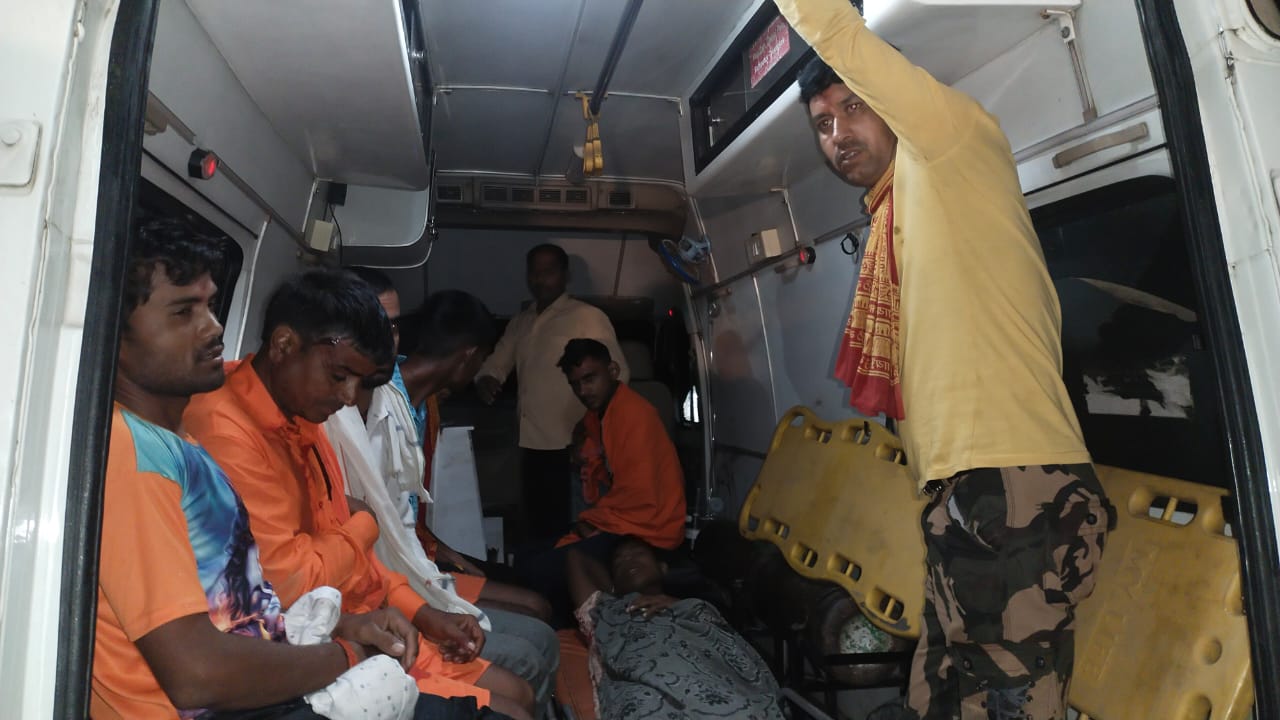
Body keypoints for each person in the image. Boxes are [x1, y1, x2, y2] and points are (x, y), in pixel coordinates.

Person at [776, 1, 1115, 718]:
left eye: (853, 107)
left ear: (895, 100)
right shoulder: (891, 218)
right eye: (822, 124)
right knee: (938, 700)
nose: (838, 134)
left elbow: (837, 32)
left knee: (1009, 703)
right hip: (964, 493)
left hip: (1016, 480)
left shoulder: (952, 146)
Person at [94, 218, 506, 720]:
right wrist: (347, 653)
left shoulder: (178, 443)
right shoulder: (134, 455)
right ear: (113, 329)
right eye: (184, 312)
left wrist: (348, 629)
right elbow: (196, 674)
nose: (214, 328)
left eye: (210, 307)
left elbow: (239, 611)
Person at [184, 270, 535, 720]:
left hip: (371, 620)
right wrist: (366, 523)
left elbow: (349, 555)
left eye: (357, 381)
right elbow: (291, 582)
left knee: (520, 695)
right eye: (339, 376)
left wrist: (423, 613)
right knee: (514, 705)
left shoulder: (301, 414)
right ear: (284, 344)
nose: (349, 397)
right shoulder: (228, 431)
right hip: (320, 643)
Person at [326, 278, 559, 710]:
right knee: (529, 649)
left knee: (537, 615)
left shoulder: (412, 406)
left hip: (407, 570)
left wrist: (440, 558)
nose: (386, 341)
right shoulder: (337, 420)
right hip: (380, 591)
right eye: (372, 326)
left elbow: (401, 517)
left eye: (392, 327)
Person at [515, 339, 685, 625]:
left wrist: (591, 523)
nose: (583, 391)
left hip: (648, 527)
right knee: (526, 553)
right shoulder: (601, 414)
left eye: (590, 379)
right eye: (575, 384)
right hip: (621, 520)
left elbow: (640, 495)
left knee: (537, 571)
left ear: (613, 371)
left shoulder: (634, 415)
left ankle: (569, 627)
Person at [473, 244, 629, 542]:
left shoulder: (587, 317)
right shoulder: (521, 321)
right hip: (529, 444)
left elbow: (618, 375)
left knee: (572, 530)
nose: (540, 279)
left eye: (549, 271)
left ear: (565, 275)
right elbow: (496, 363)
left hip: (572, 445)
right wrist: (486, 379)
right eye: (534, 272)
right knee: (537, 528)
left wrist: (593, 428)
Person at [564, 538, 783, 720]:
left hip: (715, 682)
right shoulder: (606, 611)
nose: (628, 559)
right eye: (619, 561)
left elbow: (725, 643)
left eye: (638, 553)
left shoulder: (694, 606)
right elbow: (575, 557)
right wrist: (614, 597)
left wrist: (679, 605)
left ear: (663, 568)